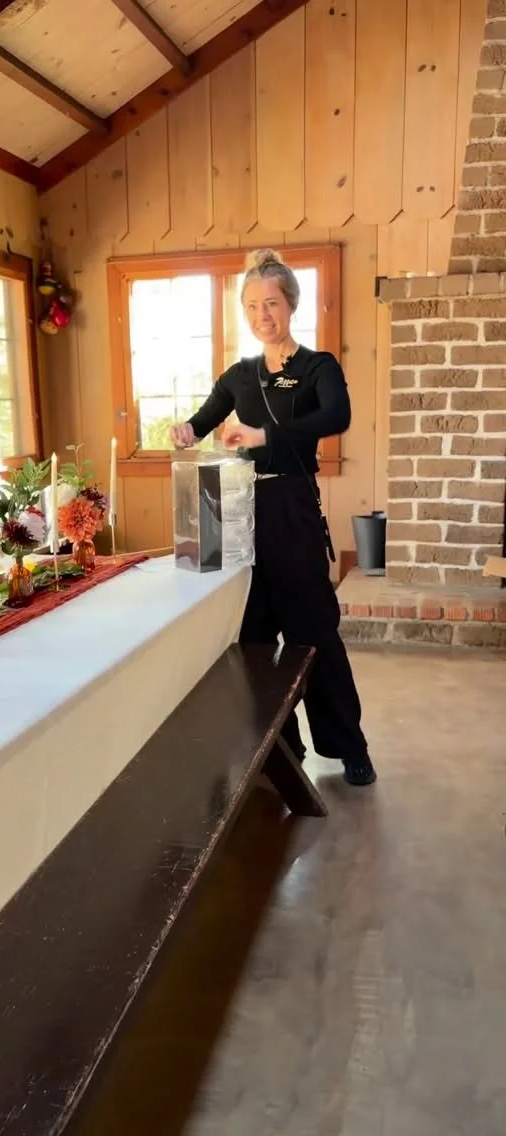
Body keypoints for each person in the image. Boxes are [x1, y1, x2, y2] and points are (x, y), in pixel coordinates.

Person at [170, 249, 376, 787]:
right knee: (253, 635)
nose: (263, 314)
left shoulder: (317, 367)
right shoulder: (239, 376)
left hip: (291, 507)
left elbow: (337, 415)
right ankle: (280, 750)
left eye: (273, 303)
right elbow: (202, 420)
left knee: (313, 631)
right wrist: (186, 431)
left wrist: (266, 435)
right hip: (239, 513)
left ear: (291, 305)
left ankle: (349, 746)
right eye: (253, 305)